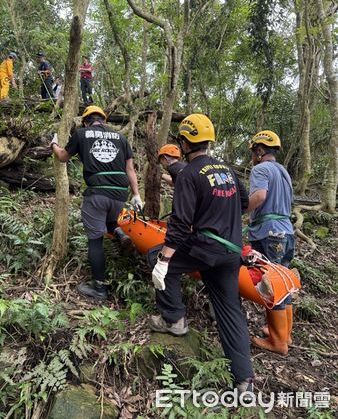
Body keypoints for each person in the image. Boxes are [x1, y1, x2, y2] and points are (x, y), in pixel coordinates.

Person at [149, 113, 254, 395]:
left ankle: (174, 319)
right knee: (230, 311)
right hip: (231, 251)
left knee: (155, 257)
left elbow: (180, 223)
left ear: (183, 142)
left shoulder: (189, 174)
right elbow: (244, 202)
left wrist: (165, 259)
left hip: (206, 249)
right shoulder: (227, 170)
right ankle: (244, 381)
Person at [50, 105, 143, 300]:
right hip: (120, 194)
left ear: (85, 121)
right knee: (109, 221)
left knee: (95, 240)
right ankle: (119, 233)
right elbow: (130, 170)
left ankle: (99, 288)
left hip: (97, 194)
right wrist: (136, 195)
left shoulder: (82, 134)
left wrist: (54, 144)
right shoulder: (121, 138)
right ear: (104, 121)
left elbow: (62, 157)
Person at [246, 130, 295, 355]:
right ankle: (285, 334)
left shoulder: (260, 169)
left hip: (269, 233)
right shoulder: (283, 172)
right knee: (283, 284)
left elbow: (260, 197)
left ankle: (278, 342)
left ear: (259, 150)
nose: (254, 156)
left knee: (272, 286)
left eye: (255, 151)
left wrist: (240, 209)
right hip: (286, 232)